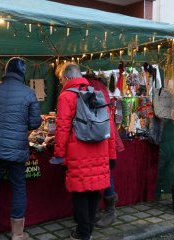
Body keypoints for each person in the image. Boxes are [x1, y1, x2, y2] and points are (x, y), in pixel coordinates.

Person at [0, 57, 42, 240]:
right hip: (17, 148)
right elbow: (35, 122)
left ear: (5, 71)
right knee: (19, 188)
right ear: (22, 73)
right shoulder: (29, 93)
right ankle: (17, 234)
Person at [52, 62, 116, 240]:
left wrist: (59, 154)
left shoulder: (66, 96)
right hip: (100, 150)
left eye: (60, 79)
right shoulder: (96, 93)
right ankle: (88, 229)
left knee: (80, 193)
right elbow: (109, 126)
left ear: (66, 77)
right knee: (93, 191)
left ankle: (83, 232)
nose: (61, 82)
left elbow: (62, 128)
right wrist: (112, 154)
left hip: (78, 152)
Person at [84, 70, 125, 228]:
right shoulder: (100, 87)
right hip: (105, 135)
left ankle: (109, 212)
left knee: (105, 173)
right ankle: (104, 211)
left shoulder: (89, 88)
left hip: (100, 136)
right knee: (104, 172)